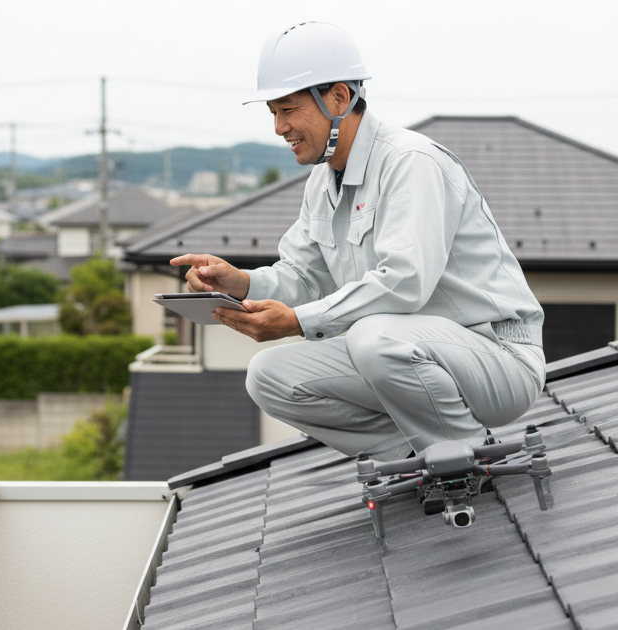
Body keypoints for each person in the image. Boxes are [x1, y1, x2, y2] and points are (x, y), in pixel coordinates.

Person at [172, 21, 546, 460]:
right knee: (267, 376)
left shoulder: (411, 162)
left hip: (496, 357)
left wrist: (296, 321)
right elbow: (304, 276)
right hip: (408, 357)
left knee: (372, 335)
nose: (278, 127)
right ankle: (414, 456)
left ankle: (462, 455)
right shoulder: (323, 181)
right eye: (273, 112)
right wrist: (238, 284)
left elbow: (404, 283)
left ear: (339, 98)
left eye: (288, 109)